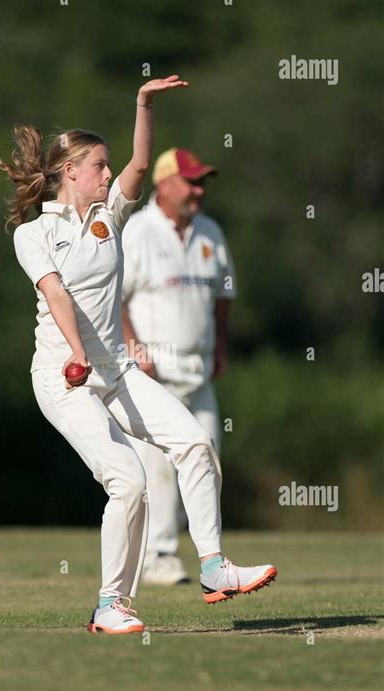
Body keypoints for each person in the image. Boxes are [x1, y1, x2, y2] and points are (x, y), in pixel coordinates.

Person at [0, 75, 277, 635]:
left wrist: (143, 104)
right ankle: (110, 604)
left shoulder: (110, 217)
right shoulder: (33, 234)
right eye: (99, 165)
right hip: (62, 376)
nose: (109, 173)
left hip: (116, 371)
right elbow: (55, 294)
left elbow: (143, 165)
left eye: (108, 166)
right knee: (128, 480)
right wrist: (78, 353)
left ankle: (215, 566)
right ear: (70, 171)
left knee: (195, 442)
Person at [121, 148, 236, 585]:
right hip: (154, 374)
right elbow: (117, 297)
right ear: (164, 183)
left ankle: (212, 560)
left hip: (199, 369)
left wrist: (221, 346)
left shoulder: (210, 232)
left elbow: (224, 295)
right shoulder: (137, 231)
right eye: (191, 182)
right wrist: (133, 346)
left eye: (202, 182)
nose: (199, 190)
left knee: (207, 459)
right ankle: (158, 555)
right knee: (159, 468)